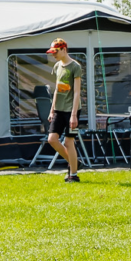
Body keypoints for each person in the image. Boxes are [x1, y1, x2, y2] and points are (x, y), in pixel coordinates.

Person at [45, 38, 83, 182]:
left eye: (55, 52)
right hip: (59, 110)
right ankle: (75, 163)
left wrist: (74, 115)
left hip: (72, 111)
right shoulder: (57, 67)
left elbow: (77, 93)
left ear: (63, 49)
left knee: (69, 141)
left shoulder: (75, 67)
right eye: (52, 52)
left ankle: (73, 174)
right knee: (52, 139)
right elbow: (57, 90)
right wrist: (52, 110)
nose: (53, 55)